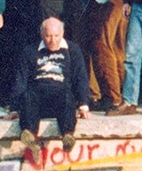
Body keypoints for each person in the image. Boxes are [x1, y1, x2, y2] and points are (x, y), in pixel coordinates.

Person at [13, 17, 90, 154]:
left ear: (62, 33)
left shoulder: (72, 50)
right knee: (28, 96)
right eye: (48, 36)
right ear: (42, 34)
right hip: (37, 97)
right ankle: (29, 134)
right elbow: (21, 79)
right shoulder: (31, 50)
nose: (52, 40)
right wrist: (14, 108)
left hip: (60, 96)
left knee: (67, 96)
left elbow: (81, 77)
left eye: (56, 36)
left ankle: (67, 135)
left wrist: (84, 105)